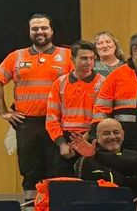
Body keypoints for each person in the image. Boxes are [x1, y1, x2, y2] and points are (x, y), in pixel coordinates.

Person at [0, 13, 73, 194]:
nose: (39, 31)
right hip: (28, 124)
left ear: (52, 30)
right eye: (35, 28)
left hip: (59, 124)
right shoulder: (16, 56)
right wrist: (4, 112)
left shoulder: (67, 55)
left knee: (60, 171)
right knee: (30, 172)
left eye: (44, 27)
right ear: (29, 32)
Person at [45, 41, 105, 177]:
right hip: (66, 139)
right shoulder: (59, 83)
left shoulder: (103, 82)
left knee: (92, 182)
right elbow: (51, 118)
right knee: (62, 185)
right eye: (84, 58)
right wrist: (61, 144)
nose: (89, 62)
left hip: (92, 138)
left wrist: (88, 137)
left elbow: (104, 115)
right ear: (72, 59)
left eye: (92, 58)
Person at [71, 118, 130, 186]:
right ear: (98, 137)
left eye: (116, 132)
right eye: (106, 133)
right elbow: (82, 191)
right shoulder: (86, 161)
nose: (112, 137)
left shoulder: (134, 156)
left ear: (122, 135)